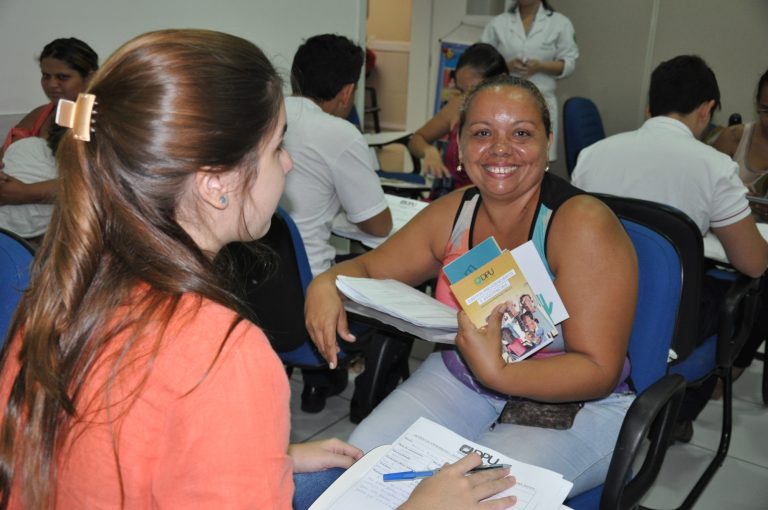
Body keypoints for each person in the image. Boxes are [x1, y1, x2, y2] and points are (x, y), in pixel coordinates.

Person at [0, 29, 518, 510]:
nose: (287, 164)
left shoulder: (62, 291)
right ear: (215, 183)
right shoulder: (224, 353)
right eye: (276, 147)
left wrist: (273, 456)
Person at [305, 74, 639, 497]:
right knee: (365, 465)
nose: (500, 148)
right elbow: (368, 267)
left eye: (521, 133)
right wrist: (325, 284)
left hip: (576, 402)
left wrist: (500, 372)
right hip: (466, 379)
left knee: (477, 498)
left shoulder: (582, 225)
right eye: (482, 133)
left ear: (548, 144)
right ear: (460, 148)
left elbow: (597, 370)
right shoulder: (453, 213)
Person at [572, 55, 768, 441]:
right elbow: (755, 263)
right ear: (707, 109)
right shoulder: (714, 167)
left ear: (651, 105)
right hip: (668, 325)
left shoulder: (593, 154)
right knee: (742, 296)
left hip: (590, 309)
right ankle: (677, 414)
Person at [279, 34, 393, 415]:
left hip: (255, 295)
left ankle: (319, 383)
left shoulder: (265, 112)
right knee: (394, 293)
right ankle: (365, 401)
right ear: (347, 92)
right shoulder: (339, 133)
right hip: (312, 303)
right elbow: (379, 225)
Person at [711, 68, 768, 395]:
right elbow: (704, 188)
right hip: (728, 239)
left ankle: (737, 363)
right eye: (766, 110)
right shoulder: (734, 138)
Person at [0, 37, 98, 206]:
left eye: (63, 77)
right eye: (46, 76)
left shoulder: (103, 119)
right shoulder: (40, 114)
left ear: (90, 77)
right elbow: (7, 156)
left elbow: (98, 181)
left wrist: (26, 193)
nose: (51, 84)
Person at [480, 0, 578, 161]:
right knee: (502, 155)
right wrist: (507, 66)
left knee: (537, 158)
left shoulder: (560, 23)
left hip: (541, 100)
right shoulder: (498, 23)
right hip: (503, 103)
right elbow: (481, 60)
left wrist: (541, 66)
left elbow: (569, 64)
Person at [408, 42, 508, 191]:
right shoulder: (458, 106)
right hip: (447, 198)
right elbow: (417, 139)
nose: (468, 98)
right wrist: (429, 151)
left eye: (474, 90)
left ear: (500, 81)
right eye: (462, 91)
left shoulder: (513, 119)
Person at [713, 68, 768, 191]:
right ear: (758, 106)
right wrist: (737, 190)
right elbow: (704, 183)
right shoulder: (734, 137)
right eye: (766, 111)